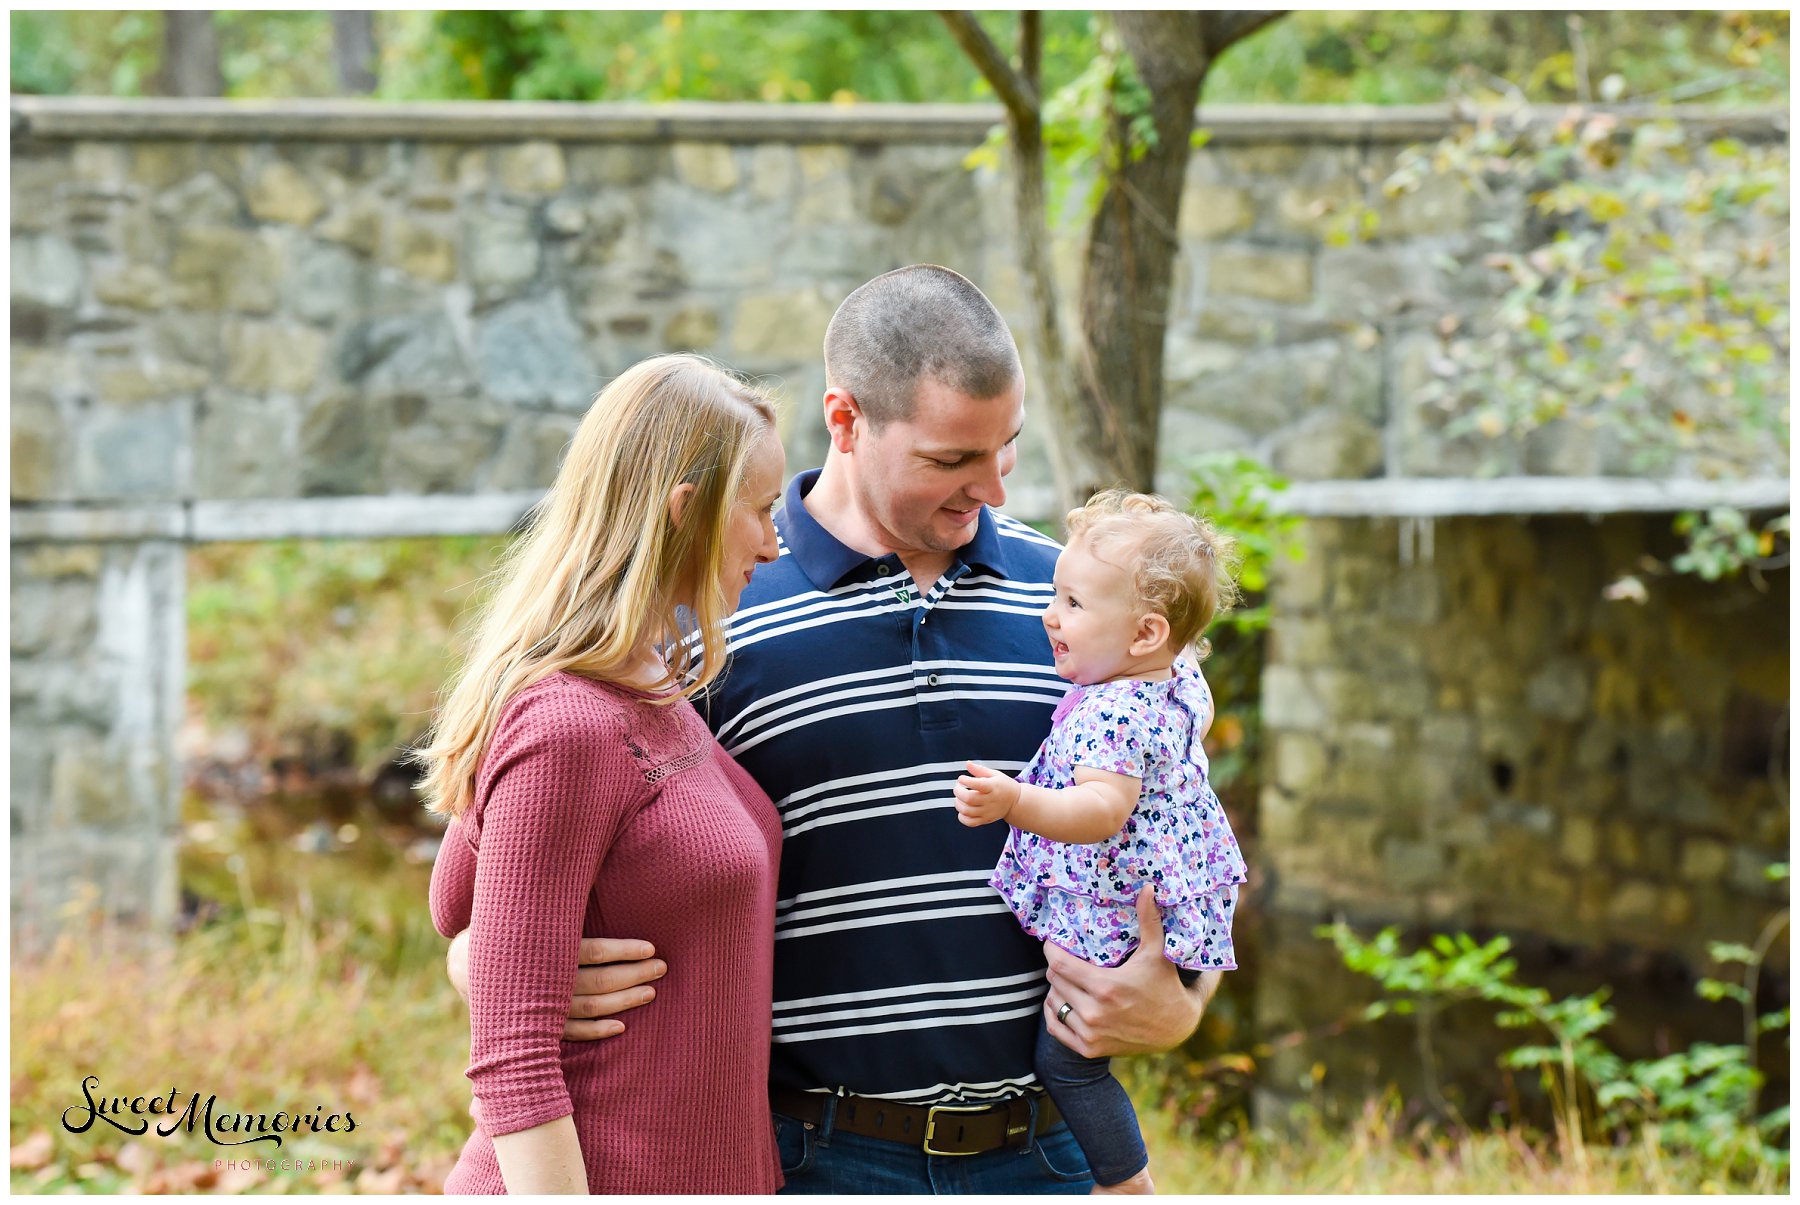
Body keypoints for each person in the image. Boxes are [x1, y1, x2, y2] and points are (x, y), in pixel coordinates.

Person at [442, 266, 1223, 1193]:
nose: (992, 491)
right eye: (948, 460)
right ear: (845, 420)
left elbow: (1187, 833)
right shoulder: (702, 612)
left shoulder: (1088, 607)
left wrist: (1182, 1001)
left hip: (1050, 1147)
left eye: (1004, 448)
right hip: (812, 1154)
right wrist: (498, 975)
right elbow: (500, 860)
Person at [418, 354, 788, 1193]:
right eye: (760, 511)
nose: (774, 542)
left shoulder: (648, 677)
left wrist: (493, 951)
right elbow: (512, 1060)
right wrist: (496, 963)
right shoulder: (569, 724)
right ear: (685, 511)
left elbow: (464, 901)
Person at [954, 489, 1248, 1194]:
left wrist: (1014, 800)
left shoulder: (1111, 711)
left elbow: (1100, 810)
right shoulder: (1178, 677)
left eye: (1074, 604)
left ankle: (1122, 1180)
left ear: (1145, 633)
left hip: (1111, 903)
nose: (1049, 614)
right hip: (1173, 885)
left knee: (1070, 1063)